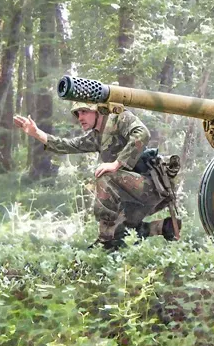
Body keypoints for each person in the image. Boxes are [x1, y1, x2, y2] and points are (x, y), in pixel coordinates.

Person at [13, 102, 179, 249]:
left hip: (152, 188)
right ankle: (163, 227)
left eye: (84, 111)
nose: (80, 117)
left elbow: (142, 133)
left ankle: (104, 241)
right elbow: (67, 145)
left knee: (105, 176)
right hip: (134, 196)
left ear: (98, 110)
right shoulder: (96, 136)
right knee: (120, 231)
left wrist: (116, 164)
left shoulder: (118, 117)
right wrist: (35, 132)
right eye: (77, 114)